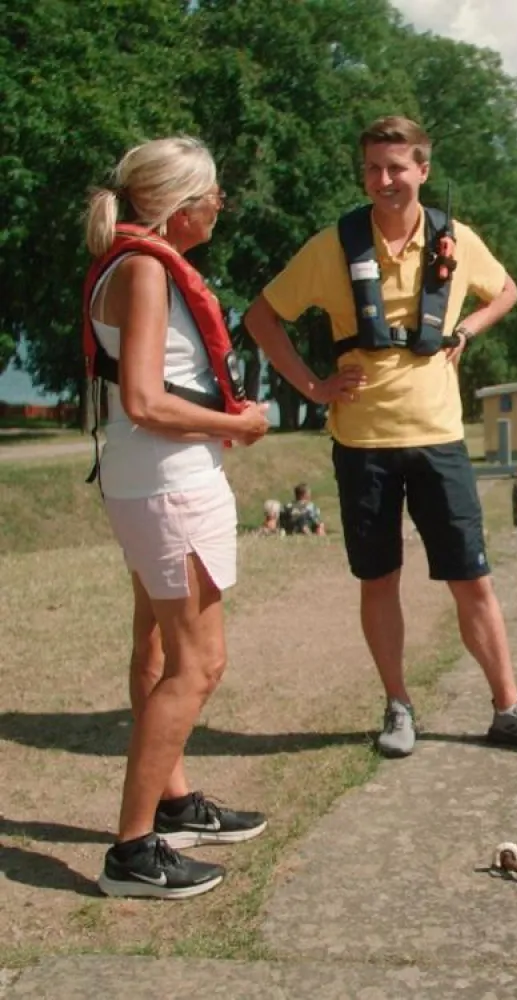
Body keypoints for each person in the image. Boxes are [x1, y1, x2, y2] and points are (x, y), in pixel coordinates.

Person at [243, 115, 517, 759]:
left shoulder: (455, 238)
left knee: (472, 579)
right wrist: (312, 388)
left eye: (397, 167)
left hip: (439, 436)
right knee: (379, 578)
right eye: (372, 168)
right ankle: (399, 707)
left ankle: (509, 709)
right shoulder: (333, 246)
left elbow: (506, 289)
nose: (384, 180)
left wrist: (467, 330)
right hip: (362, 441)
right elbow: (261, 317)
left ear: (422, 170)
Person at [83, 137, 273, 899]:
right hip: (171, 484)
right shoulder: (146, 271)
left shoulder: (122, 263)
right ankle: (132, 850)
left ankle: (174, 799)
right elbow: (145, 399)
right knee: (199, 663)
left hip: (138, 479)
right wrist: (242, 427)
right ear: (179, 206)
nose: (221, 204)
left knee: (158, 651)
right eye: (213, 193)